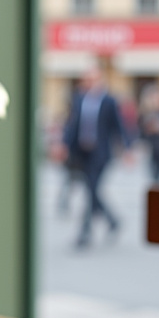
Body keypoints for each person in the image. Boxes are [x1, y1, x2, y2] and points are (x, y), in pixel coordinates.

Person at [62, 66, 133, 248]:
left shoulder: (109, 101)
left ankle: (85, 232)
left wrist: (127, 148)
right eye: (86, 79)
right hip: (82, 152)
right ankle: (112, 220)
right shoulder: (78, 99)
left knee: (91, 189)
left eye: (91, 79)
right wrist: (63, 144)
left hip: (100, 153)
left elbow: (118, 126)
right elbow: (71, 125)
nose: (88, 83)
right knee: (91, 190)